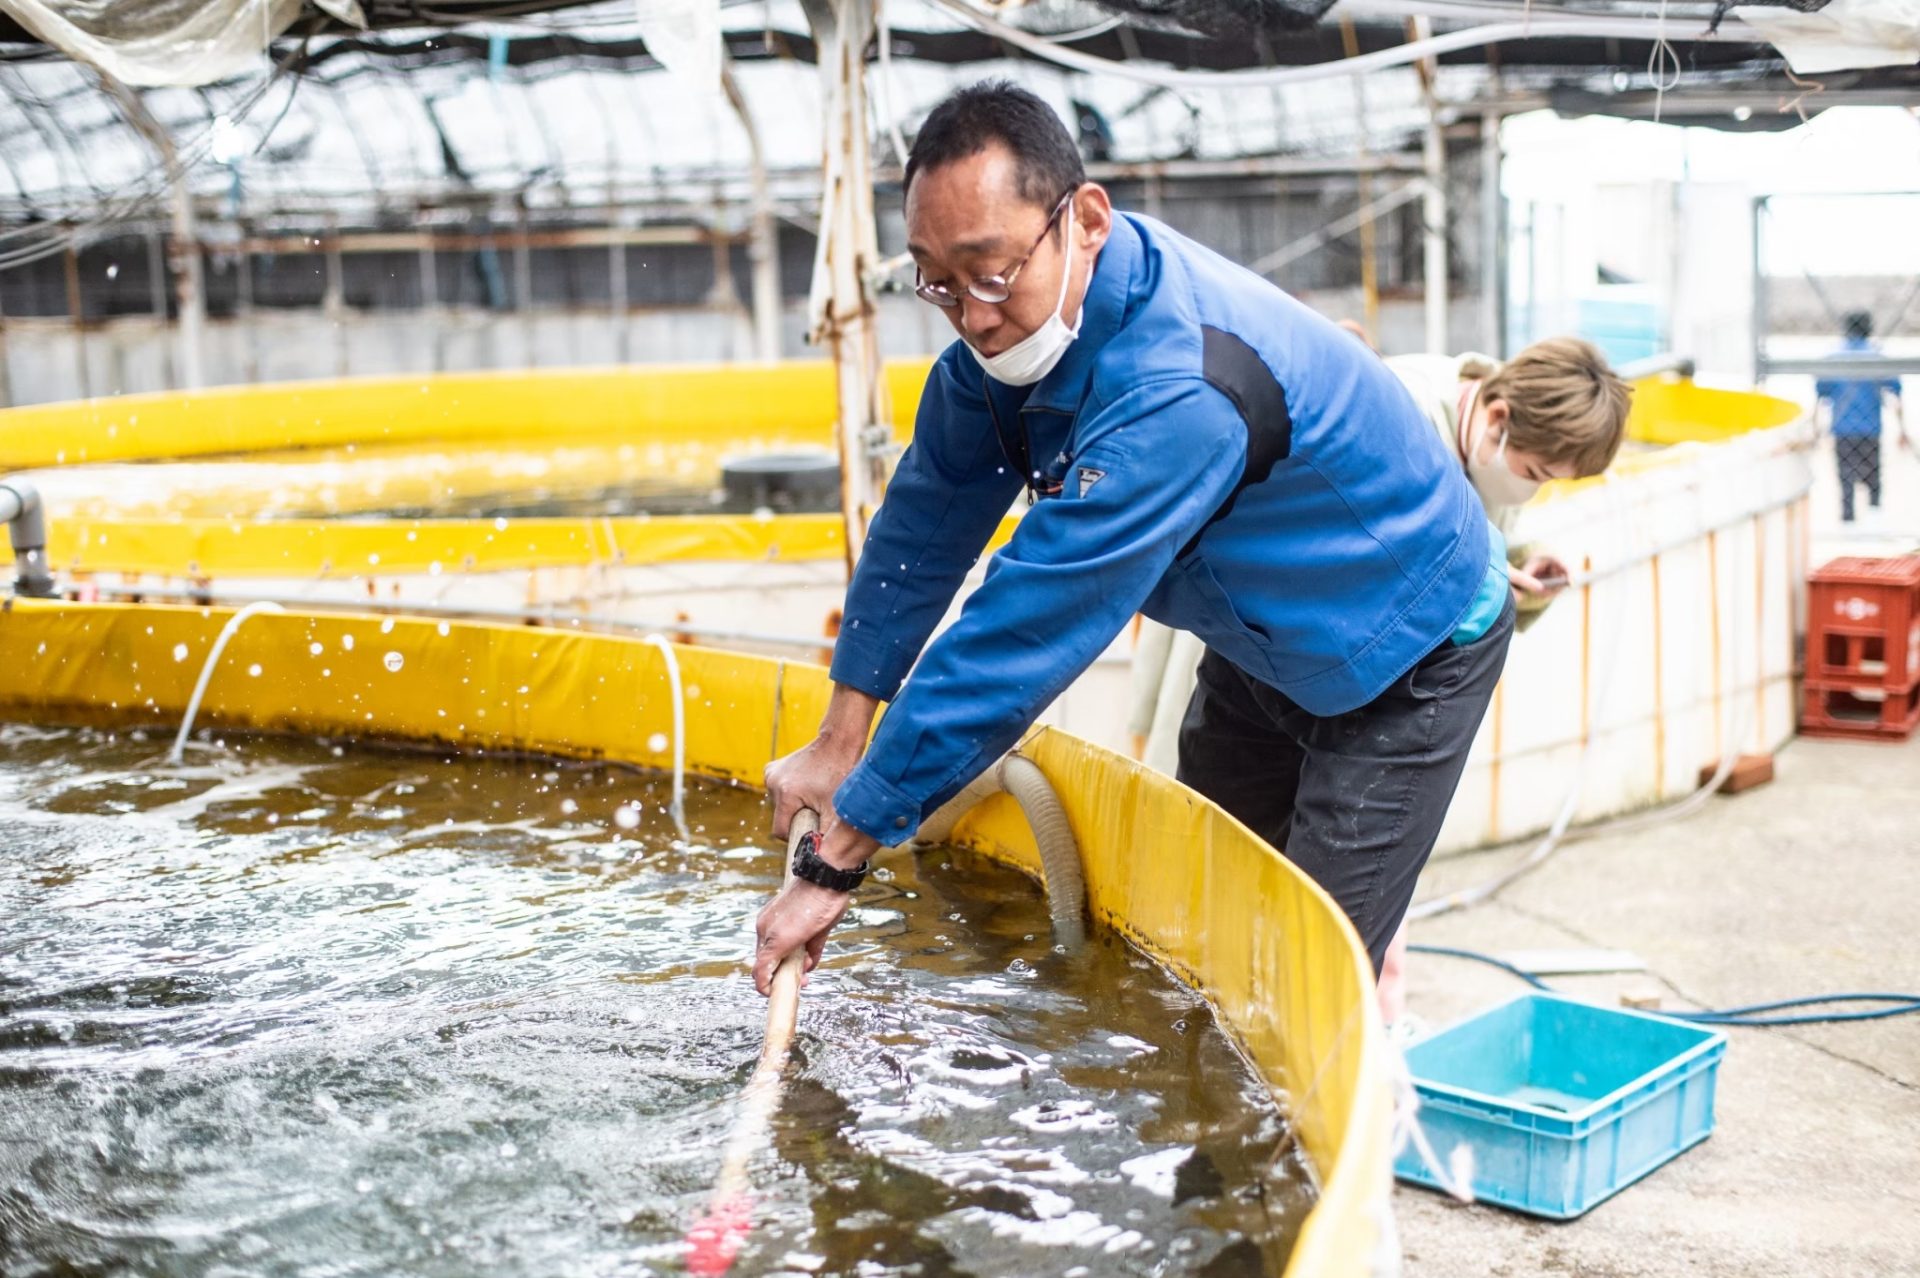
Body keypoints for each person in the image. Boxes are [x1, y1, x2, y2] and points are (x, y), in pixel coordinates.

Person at [752, 80, 1515, 997]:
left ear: (1087, 219)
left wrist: (837, 859)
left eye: (991, 271)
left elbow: (1025, 623)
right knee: (1202, 923)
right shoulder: (1010, 339)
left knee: (1307, 977)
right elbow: (926, 517)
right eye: (937, 280)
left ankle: (1361, 1032)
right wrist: (842, 740)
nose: (973, 315)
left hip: (1413, 641)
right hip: (1265, 632)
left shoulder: (1179, 387)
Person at [1373, 338, 1631, 1025]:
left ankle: (1380, 1028)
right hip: (1302, 678)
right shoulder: (1395, 410)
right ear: (1495, 415)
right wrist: (1478, 572)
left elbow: (1477, 540)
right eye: (1535, 471)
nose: (1532, 487)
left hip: (1384, 694)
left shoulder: (1485, 456)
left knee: (1383, 872)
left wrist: (1520, 564)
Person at [1815, 311, 1910, 525]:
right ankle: (1874, 518)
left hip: (1842, 429)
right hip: (1871, 429)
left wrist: (1815, 431)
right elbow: (1896, 394)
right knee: (1874, 478)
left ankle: (1847, 521)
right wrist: (1903, 429)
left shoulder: (1833, 357)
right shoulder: (1877, 356)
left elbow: (1821, 395)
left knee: (1845, 481)